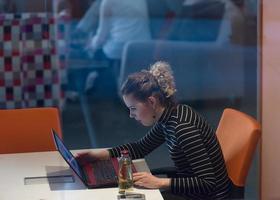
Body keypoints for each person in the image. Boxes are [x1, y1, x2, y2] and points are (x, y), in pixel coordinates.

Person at [76, 61, 232, 199]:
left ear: (151, 101)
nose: (131, 115)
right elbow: (140, 148)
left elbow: (208, 183)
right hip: (191, 191)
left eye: (133, 108)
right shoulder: (170, 116)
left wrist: (160, 182)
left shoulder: (183, 128)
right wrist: (99, 155)